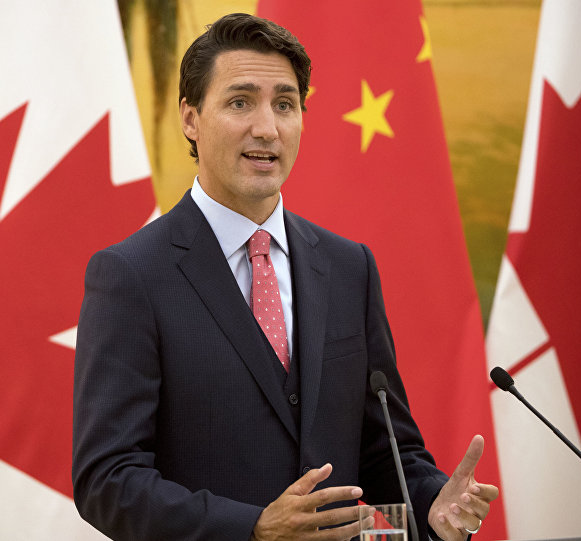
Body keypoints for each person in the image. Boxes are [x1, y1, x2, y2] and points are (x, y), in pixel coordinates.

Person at [71, 13, 498, 541]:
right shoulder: (131, 275)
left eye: (285, 104)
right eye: (240, 102)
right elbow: (106, 481)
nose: (267, 128)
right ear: (190, 118)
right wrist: (252, 528)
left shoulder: (350, 268)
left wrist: (434, 502)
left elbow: (384, 450)